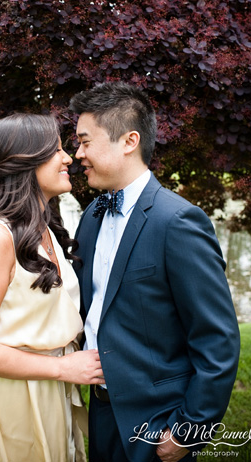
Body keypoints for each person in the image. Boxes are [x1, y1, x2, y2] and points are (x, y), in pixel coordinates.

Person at [70, 82, 241, 462]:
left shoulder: (178, 221)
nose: (77, 153)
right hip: (100, 410)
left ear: (128, 141)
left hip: (158, 420)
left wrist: (189, 430)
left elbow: (217, 339)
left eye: (85, 141)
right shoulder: (91, 218)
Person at [0, 113, 103, 462]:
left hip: (50, 395)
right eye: (56, 150)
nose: (68, 158)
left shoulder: (47, 230)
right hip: (5, 403)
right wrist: (62, 368)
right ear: (24, 162)